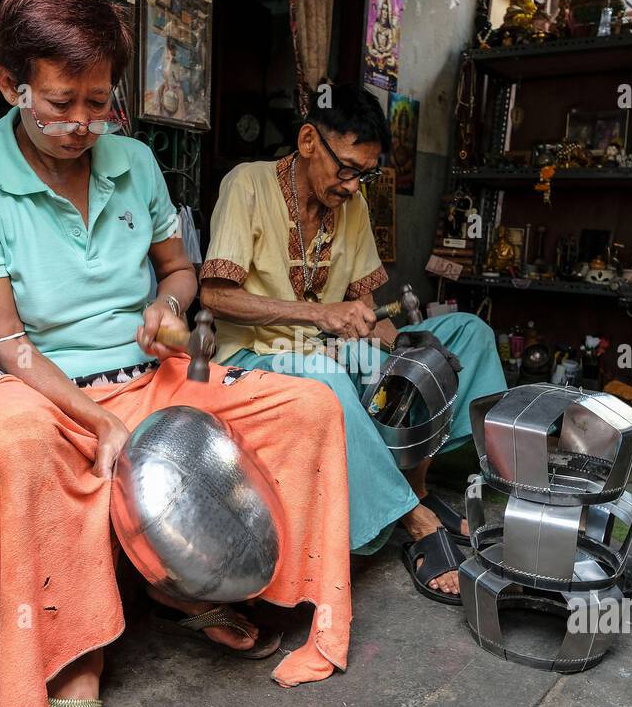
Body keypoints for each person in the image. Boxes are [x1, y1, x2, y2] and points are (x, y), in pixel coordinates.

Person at [0, 0, 353, 707]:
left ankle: (206, 581)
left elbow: (180, 270)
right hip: (32, 384)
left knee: (308, 403)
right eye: (60, 102)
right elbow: (7, 344)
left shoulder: (133, 162)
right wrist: (102, 425)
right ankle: (68, 651)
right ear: (8, 84)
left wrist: (166, 306)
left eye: (100, 102)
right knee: (15, 441)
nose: (82, 124)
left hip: (141, 368)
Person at [199, 84, 508, 605]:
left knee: (465, 336)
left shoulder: (353, 204)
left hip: (335, 349)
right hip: (256, 358)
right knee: (327, 378)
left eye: (363, 173)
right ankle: (414, 521)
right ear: (307, 140)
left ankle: (413, 483)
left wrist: (409, 343)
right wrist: (319, 313)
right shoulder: (247, 186)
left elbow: (366, 307)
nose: (351, 185)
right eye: (344, 168)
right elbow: (214, 295)